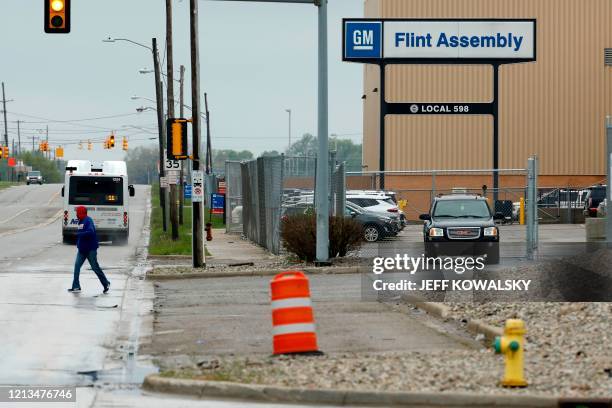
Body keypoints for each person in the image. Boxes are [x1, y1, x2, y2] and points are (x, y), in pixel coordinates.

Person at [68, 206, 110, 293]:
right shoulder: (81, 221)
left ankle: (106, 283)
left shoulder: (88, 220)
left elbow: (90, 232)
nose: (76, 214)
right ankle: (76, 286)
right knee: (77, 266)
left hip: (90, 249)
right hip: (82, 250)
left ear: (81, 213)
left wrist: (79, 234)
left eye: (77, 213)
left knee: (95, 267)